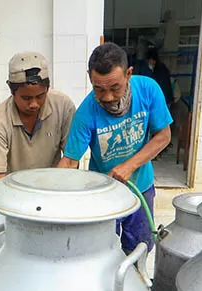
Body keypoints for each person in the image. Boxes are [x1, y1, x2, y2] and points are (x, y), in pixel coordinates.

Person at [57, 43, 172, 253]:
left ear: (128, 74)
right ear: (89, 78)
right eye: (98, 89)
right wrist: (49, 198)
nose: (107, 97)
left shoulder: (148, 90)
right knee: (99, 251)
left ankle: (137, 281)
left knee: (139, 248)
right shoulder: (86, 113)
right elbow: (70, 161)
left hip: (141, 187)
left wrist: (129, 166)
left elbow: (163, 137)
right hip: (103, 194)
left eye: (115, 87)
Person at [0, 52, 76, 182]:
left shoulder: (63, 107)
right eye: (26, 98)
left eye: (40, 96)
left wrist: (54, 187)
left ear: (47, 88)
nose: (34, 104)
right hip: (14, 192)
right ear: (12, 91)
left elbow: (71, 160)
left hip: (54, 186)